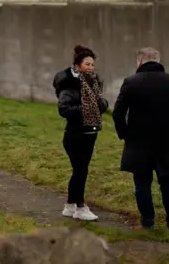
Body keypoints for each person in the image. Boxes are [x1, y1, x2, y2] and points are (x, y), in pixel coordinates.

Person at [112, 47, 169, 229]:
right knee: (168, 181)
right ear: (159, 61)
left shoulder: (131, 82)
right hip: (164, 140)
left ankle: (147, 222)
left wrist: (125, 134)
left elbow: (117, 114)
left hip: (138, 141)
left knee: (142, 182)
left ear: (139, 62)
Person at [52, 45, 109, 221]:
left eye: (92, 64)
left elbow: (102, 103)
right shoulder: (70, 85)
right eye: (87, 64)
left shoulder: (93, 82)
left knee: (80, 170)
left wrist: (100, 105)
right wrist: (86, 108)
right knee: (81, 170)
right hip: (75, 135)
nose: (91, 68)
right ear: (77, 66)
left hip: (90, 134)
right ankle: (80, 207)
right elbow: (64, 109)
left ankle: (70, 206)